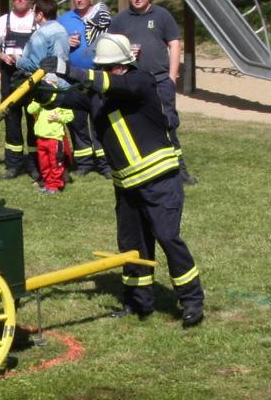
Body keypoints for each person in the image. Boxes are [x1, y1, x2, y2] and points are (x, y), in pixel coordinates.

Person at [58, 31, 204, 326]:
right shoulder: (98, 93)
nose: (104, 72)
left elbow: (115, 85)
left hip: (159, 180)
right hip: (126, 186)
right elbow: (65, 97)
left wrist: (70, 70)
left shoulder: (141, 81)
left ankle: (191, 300)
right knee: (132, 245)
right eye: (100, 67)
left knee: (167, 237)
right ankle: (138, 303)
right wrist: (36, 85)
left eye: (108, 67)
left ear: (124, 64)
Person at [108, 0, 195, 184]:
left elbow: (174, 44)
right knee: (135, 125)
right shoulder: (120, 19)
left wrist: (171, 78)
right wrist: (125, 55)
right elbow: (110, 49)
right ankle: (142, 169)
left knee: (168, 124)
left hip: (160, 81)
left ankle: (179, 170)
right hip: (133, 82)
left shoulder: (162, 15)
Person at [55, 0, 110, 175]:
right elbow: (54, 47)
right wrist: (65, 42)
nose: (79, 0)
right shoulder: (64, 20)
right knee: (77, 123)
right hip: (73, 79)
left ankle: (104, 164)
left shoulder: (103, 19)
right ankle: (84, 163)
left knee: (99, 121)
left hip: (98, 76)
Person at [0, 0, 41, 179]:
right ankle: (13, 164)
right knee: (11, 120)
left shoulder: (38, 20)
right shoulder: (3, 21)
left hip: (32, 78)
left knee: (34, 119)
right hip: (9, 77)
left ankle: (35, 164)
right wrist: (2, 56)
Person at [27, 92, 73, 194]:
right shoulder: (39, 98)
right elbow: (30, 110)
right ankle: (48, 184)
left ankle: (55, 186)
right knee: (44, 165)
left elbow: (70, 116)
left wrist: (59, 118)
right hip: (41, 139)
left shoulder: (61, 99)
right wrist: (39, 100)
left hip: (55, 139)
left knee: (55, 164)